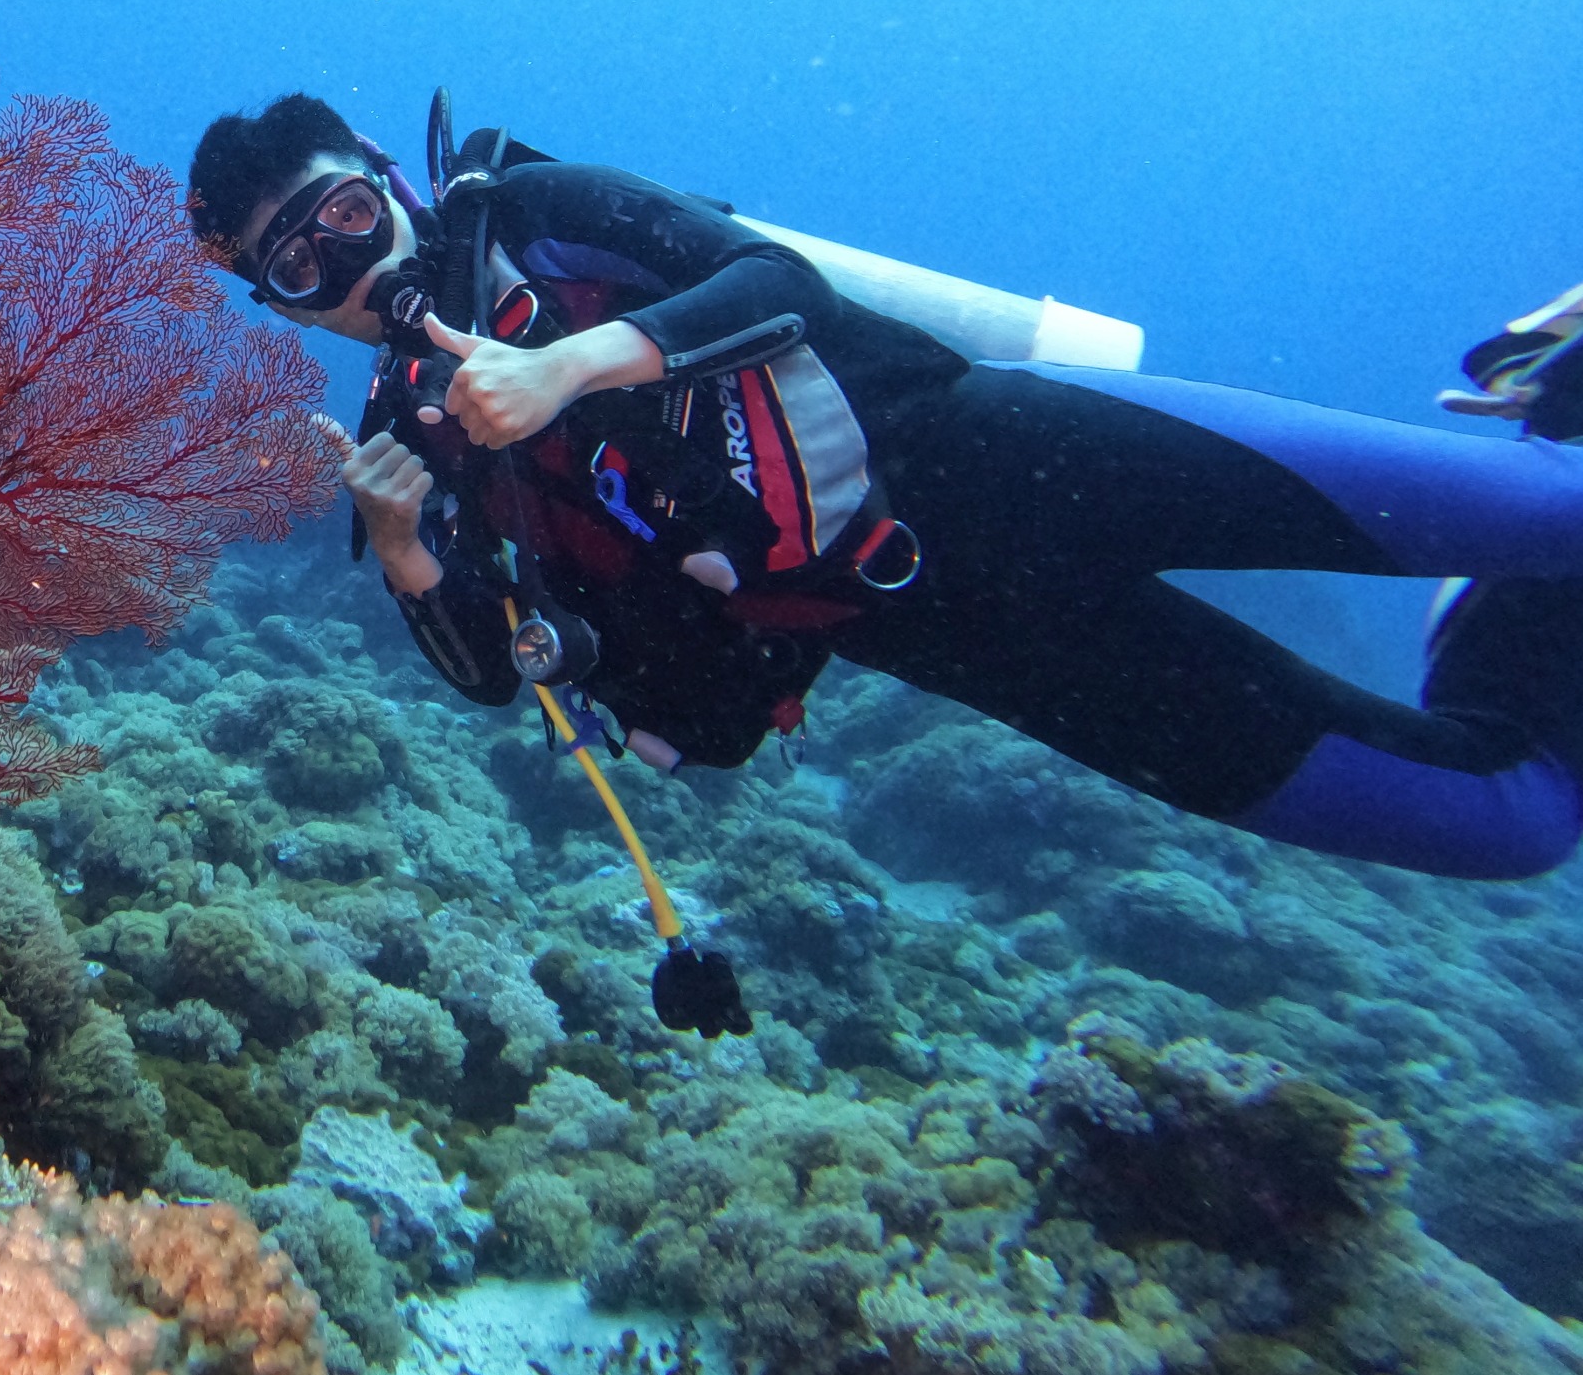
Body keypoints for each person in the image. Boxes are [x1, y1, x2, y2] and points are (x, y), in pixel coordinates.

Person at [187, 92, 1583, 882]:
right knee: (1502, 815)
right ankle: (1499, 603)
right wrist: (404, 549)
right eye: (299, 267)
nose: (350, 266)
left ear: (387, 176)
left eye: (348, 216)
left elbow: (776, 281)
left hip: (1018, 455)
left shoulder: (539, 214)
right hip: (969, 640)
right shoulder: (415, 452)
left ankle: (1554, 406)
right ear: (287, 308)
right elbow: (506, 675)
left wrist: (572, 370)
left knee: (1555, 512)